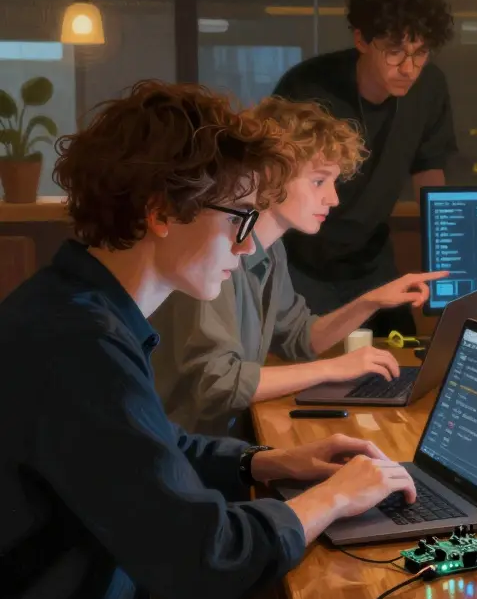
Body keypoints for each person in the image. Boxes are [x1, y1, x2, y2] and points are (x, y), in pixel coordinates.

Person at [0, 81, 418, 599]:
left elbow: (156, 444)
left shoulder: (78, 310)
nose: (248, 247)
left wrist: (267, 463)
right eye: (239, 219)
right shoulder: (79, 347)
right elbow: (207, 563)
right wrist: (336, 497)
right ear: (163, 211)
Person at [149, 97, 447, 440]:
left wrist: (372, 301)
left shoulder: (271, 249)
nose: (333, 199)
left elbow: (301, 339)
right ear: (271, 175)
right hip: (190, 453)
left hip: (226, 443)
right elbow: (219, 384)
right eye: (319, 182)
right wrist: (333, 369)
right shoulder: (213, 257)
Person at [272, 0, 457, 338]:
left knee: (402, 357)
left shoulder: (430, 87)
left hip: (371, 256)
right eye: (395, 52)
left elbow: (429, 175)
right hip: (301, 258)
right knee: (306, 359)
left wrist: (448, 259)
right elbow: (273, 182)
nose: (409, 68)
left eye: (420, 53)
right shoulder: (308, 87)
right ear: (361, 39)